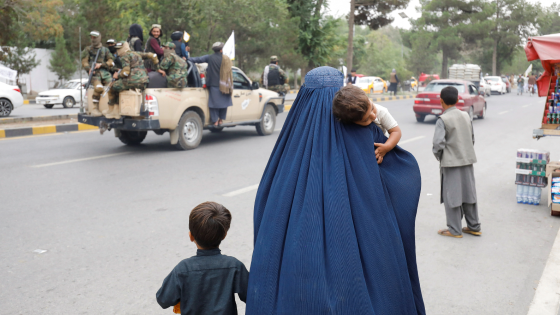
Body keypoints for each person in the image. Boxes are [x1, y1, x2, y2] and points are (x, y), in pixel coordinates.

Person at [246, 67, 425, 314]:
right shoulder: (363, 130)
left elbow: (267, 200)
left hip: (298, 264)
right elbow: (393, 180)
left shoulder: (292, 137)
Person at [156, 202, 249, 315]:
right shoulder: (234, 266)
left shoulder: (183, 269)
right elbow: (251, 297)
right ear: (224, 235)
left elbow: (163, 300)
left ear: (191, 236)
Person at [433, 86, 481, 238]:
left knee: (452, 195)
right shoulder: (466, 116)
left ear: (441, 101)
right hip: (467, 160)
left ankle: (454, 229)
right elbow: (472, 138)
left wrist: (441, 157)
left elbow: (438, 145)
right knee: (469, 193)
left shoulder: (443, 119)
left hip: (450, 163)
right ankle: (474, 226)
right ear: (457, 100)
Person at [332, 85, 402, 164]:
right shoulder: (349, 122)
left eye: (372, 108)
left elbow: (396, 132)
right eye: (366, 119)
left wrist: (386, 147)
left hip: (381, 149)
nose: (373, 116)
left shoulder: (382, 112)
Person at [106, 42, 157, 119]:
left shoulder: (124, 56)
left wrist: (117, 76)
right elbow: (152, 55)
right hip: (144, 81)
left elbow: (126, 73)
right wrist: (157, 67)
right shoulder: (136, 53)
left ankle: (114, 111)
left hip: (132, 81)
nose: (118, 51)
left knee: (113, 87)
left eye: (119, 49)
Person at [189, 42, 233, 126]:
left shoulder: (209, 57)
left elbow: (197, 60)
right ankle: (220, 120)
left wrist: (186, 59)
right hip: (226, 85)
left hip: (214, 85)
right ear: (221, 50)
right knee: (224, 103)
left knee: (214, 104)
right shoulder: (226, 59)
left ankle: (215, 121)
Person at [81, 30, 114, 116]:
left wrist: (102, 65)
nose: (93, 39)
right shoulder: (88, 49)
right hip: (95, 74)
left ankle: (111, 108)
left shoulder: (105, 50)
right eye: (91, 37)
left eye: (95, 37)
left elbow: (111, 61)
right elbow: (84, 62)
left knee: (113, 86)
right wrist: (89, 68)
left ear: (99, 38)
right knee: (98, 88)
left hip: (105, 73)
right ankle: (95, 108)